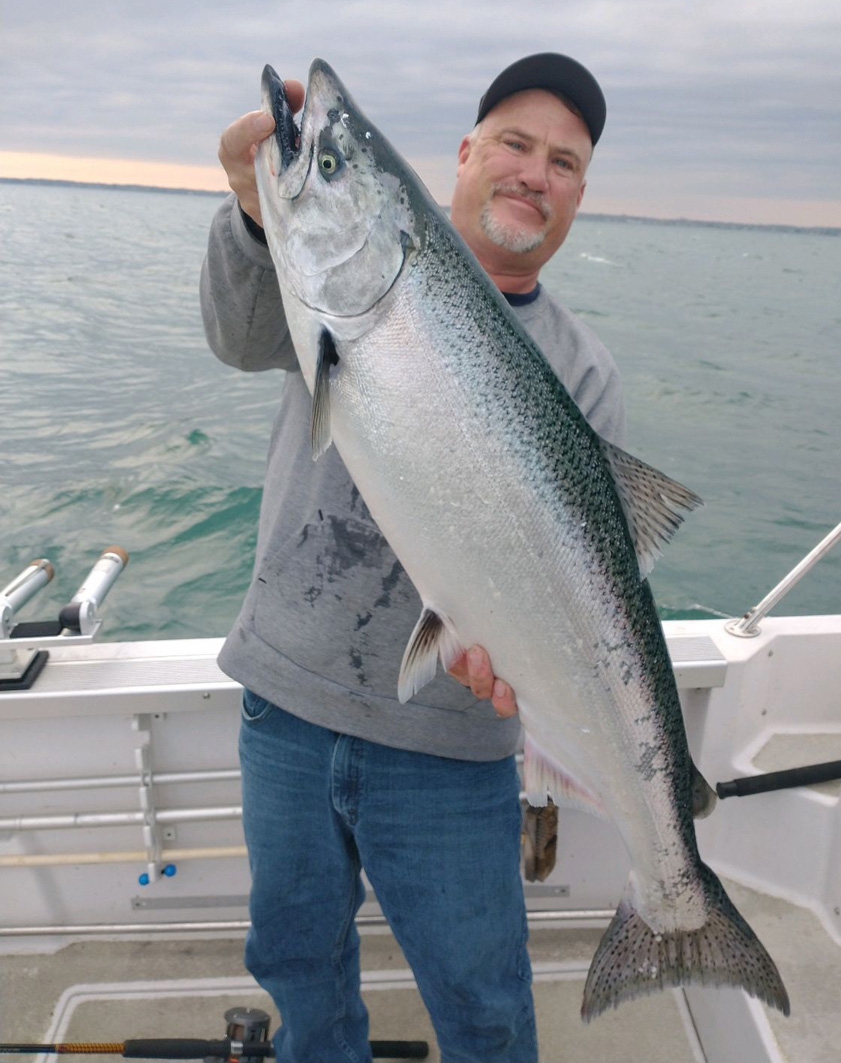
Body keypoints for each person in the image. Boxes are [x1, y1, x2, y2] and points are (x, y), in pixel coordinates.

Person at [201, 52, 625, 1063]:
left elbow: (593, 583)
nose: (533, 173)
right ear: (467, 153)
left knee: (483, 1006)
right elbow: (239, 332)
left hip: (451, 748)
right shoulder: (338, 284)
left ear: (579, 192)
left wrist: (519, 658)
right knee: (299, 970)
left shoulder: (584, 372)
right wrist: (259, 214)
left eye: (563, 161)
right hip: (288, 706)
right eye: (515, 144)